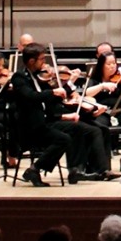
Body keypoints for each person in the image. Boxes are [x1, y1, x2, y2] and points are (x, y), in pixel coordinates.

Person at [11, 44, 112, 183]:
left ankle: (75, 170)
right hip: (31, 127)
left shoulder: (42, 78)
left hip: (47, 122)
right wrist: (52, 91)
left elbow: (57, 97)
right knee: (63, 138)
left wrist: (70, 83)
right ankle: (35, 169)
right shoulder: (19, 78)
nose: (45, 63)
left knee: (80, 128)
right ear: (31, 61)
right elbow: (31, 97)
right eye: (41, 59)